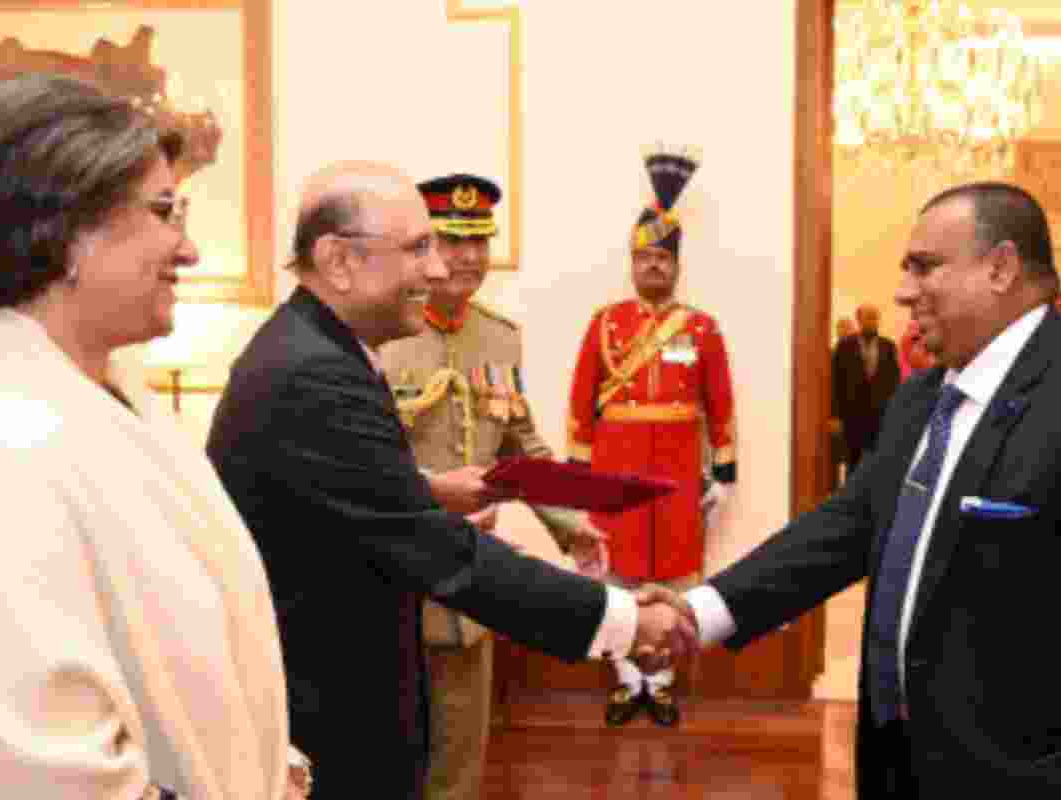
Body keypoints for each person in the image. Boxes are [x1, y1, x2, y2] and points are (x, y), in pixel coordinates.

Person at [640, 182, 1061, 797]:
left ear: (1002, 267)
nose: (903, 292)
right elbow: (847, 527)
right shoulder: (922, 397)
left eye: (925, 267)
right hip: (901, 767)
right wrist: (699, 611)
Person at [0, 74, 307, 800]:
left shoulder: (110, 398)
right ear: (65, 234)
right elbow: (46, 770)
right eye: (165, 212)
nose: (190, 249)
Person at [205, 161, 691, 800]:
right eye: (418, 248)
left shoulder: (323, 349)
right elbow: (437, 550)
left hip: (360, 671)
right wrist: (623, 620)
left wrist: (428, 494)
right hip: (329, 700)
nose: (437, 269)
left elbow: (355, 496)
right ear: (339, 261)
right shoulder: (313, 374)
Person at [378, 173, 609, 800]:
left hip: (467, 589)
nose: (468, 257)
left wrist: (573, 526)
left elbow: (521, 448)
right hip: (392, 588)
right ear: (425, 247)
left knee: (459, 765)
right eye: (453, 240)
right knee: (387, 755)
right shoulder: (383, 336)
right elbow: (366, 463)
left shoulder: (499, 337)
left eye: (480, 242)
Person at [566, 149, 736, 727]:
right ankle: (624, 681)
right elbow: (580, 402)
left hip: (679, 469)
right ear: (632, 263)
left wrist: (726, 474)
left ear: (677, 266)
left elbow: (721, 405)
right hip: (615, 465)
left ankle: (660, 683)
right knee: (619, 576)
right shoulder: (605, 323)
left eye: (664, 257)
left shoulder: (702, 327)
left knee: (672, 577)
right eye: (645, 257)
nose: (654, 267)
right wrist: (579, 475)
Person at [831, 303, 901, 472]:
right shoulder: (845, 346)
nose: (872, 321)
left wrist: (894, 412)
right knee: (853, 464)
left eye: (875, 318)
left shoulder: (888, 346)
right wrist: (835, 415)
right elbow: (835, 382)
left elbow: (894, 381)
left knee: (876, 463)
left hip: (879, 414)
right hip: (852, 414)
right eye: (868, 317)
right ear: (859, 319)